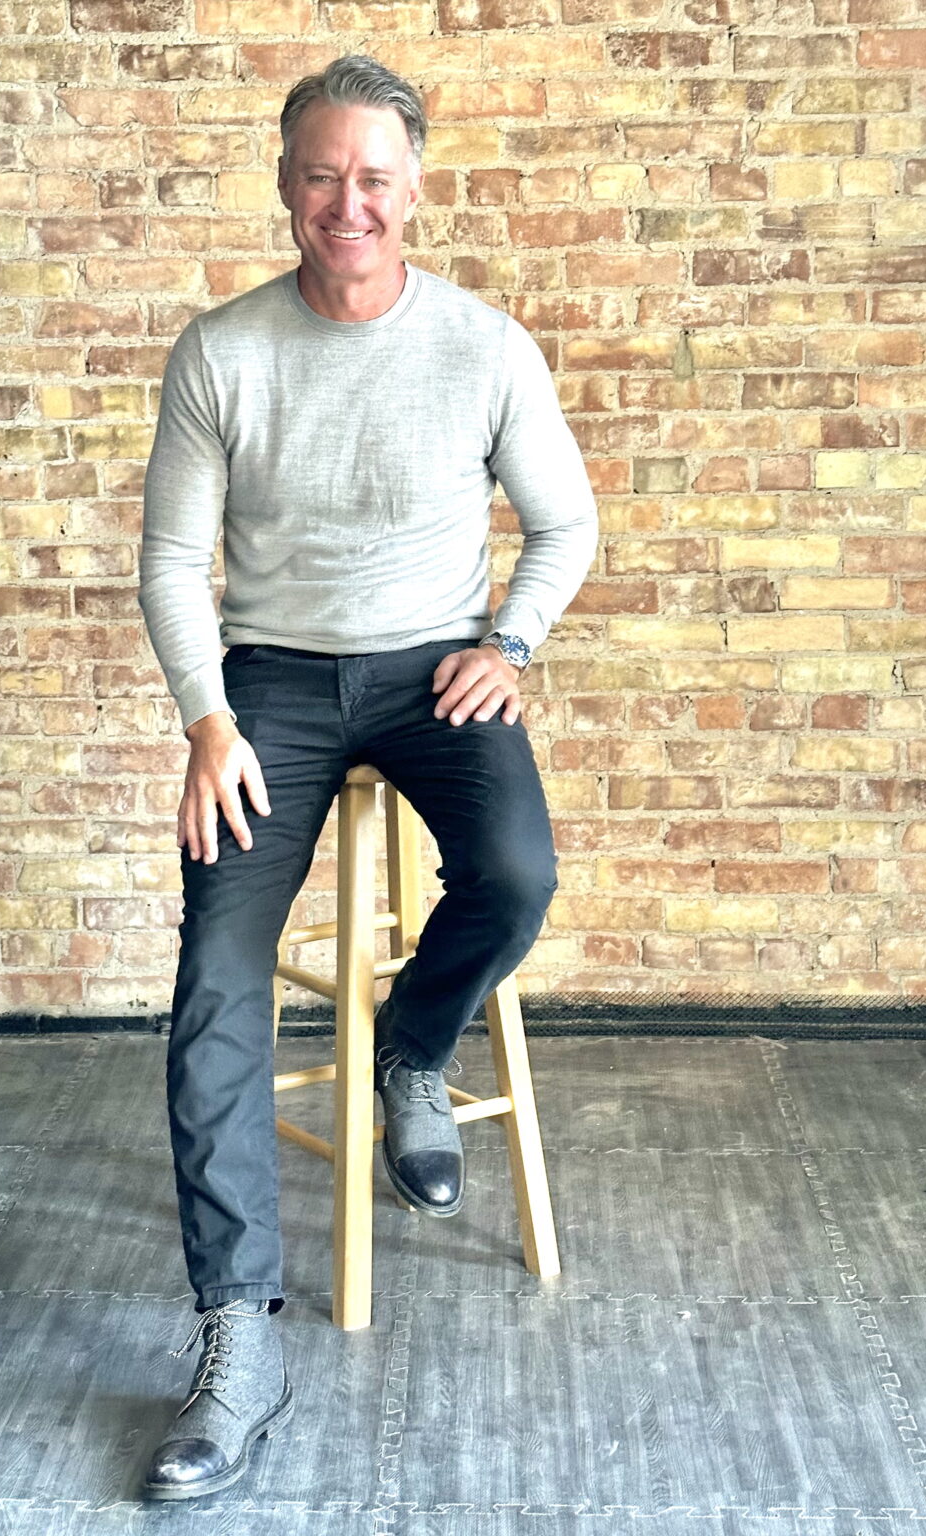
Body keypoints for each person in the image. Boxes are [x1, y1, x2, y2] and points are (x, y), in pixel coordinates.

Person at [135, 53, 598, 1500]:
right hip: (271, 686)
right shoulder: (223, 351)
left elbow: (566, 524)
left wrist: (510, 642)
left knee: (516, 873)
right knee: (216, 973)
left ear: (415, 187)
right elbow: (172, 560)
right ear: (286, 184)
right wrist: (208, 720)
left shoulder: (484, 346)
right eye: (324, 175)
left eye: (376, 177)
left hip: (432, 670)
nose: (351, 202)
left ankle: (411, 1047)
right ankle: (237, 1335)